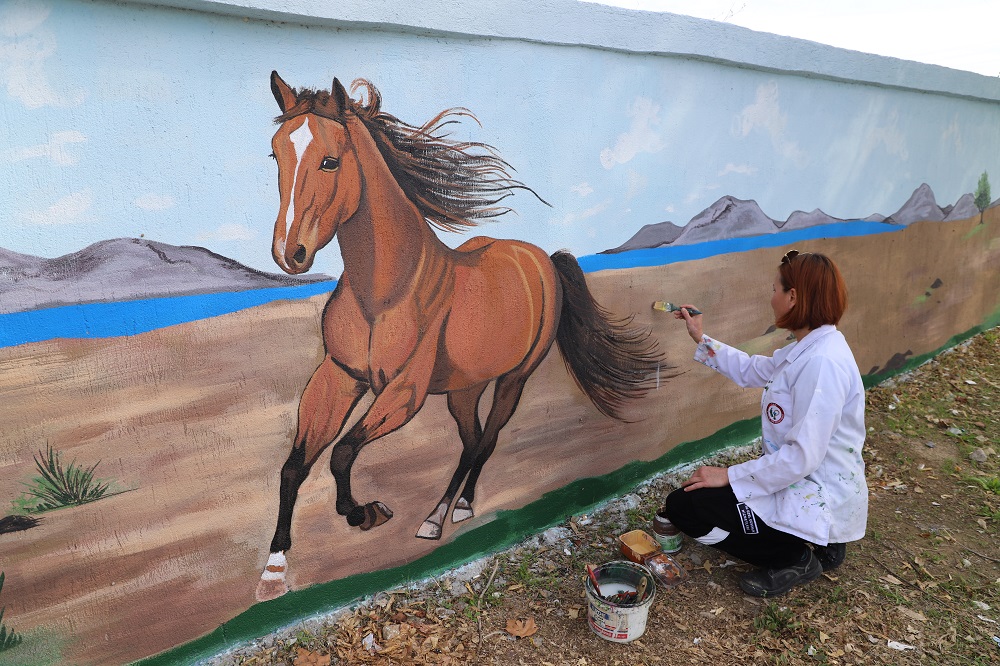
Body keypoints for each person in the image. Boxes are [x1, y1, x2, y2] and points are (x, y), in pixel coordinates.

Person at [661, 250, 867, 597]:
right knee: (707, 497)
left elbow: (803, 458)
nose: (770, 297)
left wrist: (730, 475)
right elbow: (753, 369)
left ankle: (795, 556)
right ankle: (819, 541)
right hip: (802, 481)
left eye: (775, 289)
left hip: (810, 485)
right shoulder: (812, 347)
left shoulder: (821, 364)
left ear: (793, 297)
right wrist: (700, 337)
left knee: (685, 507)